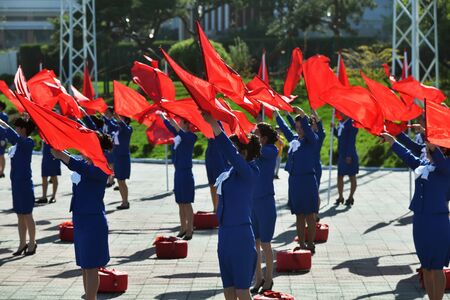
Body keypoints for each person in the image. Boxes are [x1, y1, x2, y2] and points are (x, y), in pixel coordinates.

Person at [380, 132, 450, 300]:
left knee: (437, 266)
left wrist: (434, 149)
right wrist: (392, 141)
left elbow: (441, 163)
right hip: (420, 219)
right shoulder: (423, 165)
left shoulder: (446, 168)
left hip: (438, 221)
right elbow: (407, 155)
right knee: (425, 266)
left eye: (430, 147)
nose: (426, 149)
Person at [202, 112, 260, 300]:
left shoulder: (249, 171)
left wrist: (214, 126)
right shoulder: (230, 172)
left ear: (243, 153)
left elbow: (228, 151)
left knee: (242, 291)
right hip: (225, 235)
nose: (232, 153)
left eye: (236, 149)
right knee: (228, 290)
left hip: (241, 236)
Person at [51, 132, 112, 300]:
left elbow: (79, 167)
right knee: (85, 265)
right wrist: (58, 149)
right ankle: (88, 296)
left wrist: (62, 155)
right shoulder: (87, 162)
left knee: (91, 266)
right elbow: (76, 161)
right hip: (81, 219)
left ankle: (91, 298)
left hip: (93, 221)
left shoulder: (101, 166)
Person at [276, 107, 318, 253]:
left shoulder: (312, 140)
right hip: (294, 181)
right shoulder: (294, 140)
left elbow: (308, 129)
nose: (300, 130)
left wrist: (302, 115)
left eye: (302, 127)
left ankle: (311, 243)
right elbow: (285, 129)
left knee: (310, 214)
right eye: (298, 127)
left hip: (307, 180)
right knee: (299, 214)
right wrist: (277, 115)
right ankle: (301, 243)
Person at [0, 117, 37, 256]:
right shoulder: (16, 144)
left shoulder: (28, 142)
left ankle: (32, 243)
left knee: (27, 214)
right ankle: (22, 243)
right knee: (20, 215)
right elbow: (10, 136)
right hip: (16, 184)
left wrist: (4, 124)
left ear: (23, 129)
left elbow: (14, 137)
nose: (15, 129)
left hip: (25, 184)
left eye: (17, 127)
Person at [251, 122, 278, 294]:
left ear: (264, 138)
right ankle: (258, 277)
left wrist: (250, 143)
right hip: (253, 202)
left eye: (256, 135)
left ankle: (269, 278)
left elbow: (258, 151)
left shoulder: (271, 150)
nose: (253, 137)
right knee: (255, 243)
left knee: (266, 243)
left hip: (266, 202)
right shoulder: (256, 151)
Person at [162, 115, 197, 240]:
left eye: (180, 122)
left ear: (187, 124)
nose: (178, 123)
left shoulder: (191, 137)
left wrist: (173, 124)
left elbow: (181, 133)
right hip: (178, 172)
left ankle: (190, 229)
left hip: (186, 173)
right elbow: (171, 127)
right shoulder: (179, 136)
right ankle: (182, 228)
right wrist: (163, 116)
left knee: (186, 202)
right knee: (180, 202)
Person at [333, 115, 359, 206]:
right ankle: (340, 197)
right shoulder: (341, 123)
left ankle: (351, 197)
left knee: (352, 176)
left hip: (350, 154)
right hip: (342, 154)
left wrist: (349, 155)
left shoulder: (353, 123)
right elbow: (341, 137)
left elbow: (351, 140)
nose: (340, 113)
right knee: (340, 176)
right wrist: (334, 130)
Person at [112, 114, 133, 210]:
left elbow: (125, 127)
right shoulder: (118, 129)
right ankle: (123, 201)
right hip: (116, 156)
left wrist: (120, 120)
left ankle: (125, 201)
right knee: (119, 181)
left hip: (123, 157)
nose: (118, 119)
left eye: (121, 118)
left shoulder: (128, 129)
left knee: (122, 180)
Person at [205, 135, 227, 212]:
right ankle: (215, 208)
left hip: (219, 155)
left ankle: (220, 208)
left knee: (219, 184)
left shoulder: (219, 125)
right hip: (210, 155)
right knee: (211, 184)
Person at [102, 107, 117, 187]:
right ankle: (110, 179)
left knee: (111, 163)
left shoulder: (113, 122)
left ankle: (111, 180)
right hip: (105, 146)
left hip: (111, 146)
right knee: (107, 163)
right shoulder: (104, 123)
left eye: (107, 113)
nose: (106, 114)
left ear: (112, 114)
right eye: (105, 113)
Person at [0, 100, 8, 178]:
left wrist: (3, 138)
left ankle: (2, 171)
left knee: (1, 155)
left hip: (2, 138)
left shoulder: (4, 116)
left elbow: (4, 128)